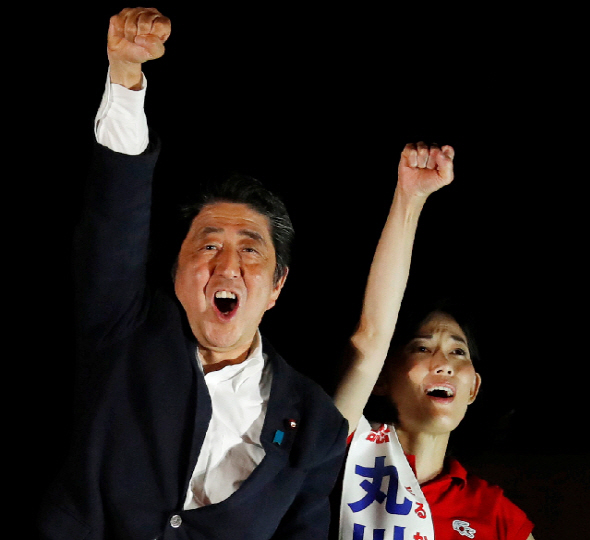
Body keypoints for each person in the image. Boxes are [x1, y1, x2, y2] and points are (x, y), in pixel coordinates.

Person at [38, 8, 347, 540]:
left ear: (277, 287)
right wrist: (126, 78)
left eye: (251, 252)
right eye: (209, 246)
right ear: (177, 273)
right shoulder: (124, 331)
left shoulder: (315, 423)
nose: (228, 265)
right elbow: (116, 221)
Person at [333, 142, 535, 539]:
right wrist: (409, 200)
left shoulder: (498, 517)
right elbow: (372, 334)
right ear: (381, 377)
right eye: (422, 347)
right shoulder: (343, 453)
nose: (444, 362)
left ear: (474, 386)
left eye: (458, 352)